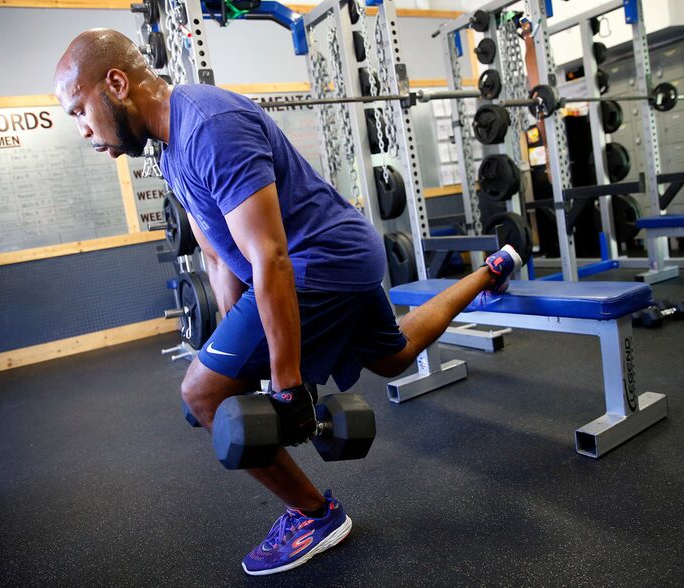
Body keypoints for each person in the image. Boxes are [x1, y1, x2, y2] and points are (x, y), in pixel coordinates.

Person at [54, 28, 522, 576]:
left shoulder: (208, 126)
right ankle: (490, 273)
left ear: (116, 82)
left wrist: (285, 385)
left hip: (315, 264)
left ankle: (316, 515)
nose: (84, 130)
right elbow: (218, 256)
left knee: (200, 395)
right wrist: (236, 356)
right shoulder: (170, 154)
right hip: (344, 254)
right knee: (393, 357)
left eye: (79, 110)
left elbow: (271, 258)